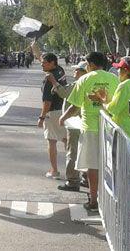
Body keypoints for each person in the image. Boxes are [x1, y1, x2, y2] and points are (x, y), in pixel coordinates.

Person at [59, 51, 119, 211]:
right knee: (109, 165)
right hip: (110, 127)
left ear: (91, 64)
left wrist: (63, 117)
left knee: (93, 166)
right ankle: (109, 200)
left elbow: (75, 105)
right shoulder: (114, 79)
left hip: (90, 128)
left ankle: (94, 200)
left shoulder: (85, 79)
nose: (86, 66)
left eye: (86, 63)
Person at [92, 56, 130, 229]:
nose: (117, 71)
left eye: (120, 69)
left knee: (123, 176)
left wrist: (101, 100)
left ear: (126, 70)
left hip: (124, 138)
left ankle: (127, 213)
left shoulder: (124, 86)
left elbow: (113, 109)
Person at [48, 61, 85, 192]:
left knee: (73, 151)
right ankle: (85, 178)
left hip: (76, 122)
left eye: (77, 70)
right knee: (83, 150)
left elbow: (64, 93)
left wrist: (53, 81)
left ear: (83, 72)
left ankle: (73, 181)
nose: (74, 72)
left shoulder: (79, 84)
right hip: (84, 122)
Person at [37, 53, 66, 180]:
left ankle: (54, 170)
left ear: (52, 63)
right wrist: (35, 48)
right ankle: (75, 170)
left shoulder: (49, 78)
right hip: (63, 110)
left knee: (52, 141)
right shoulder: (60, 70)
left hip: (53, 112)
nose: (42, 64)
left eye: (44, 63)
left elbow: (47, 101)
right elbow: (40, 58)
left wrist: (42, 117)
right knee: (66, 140)